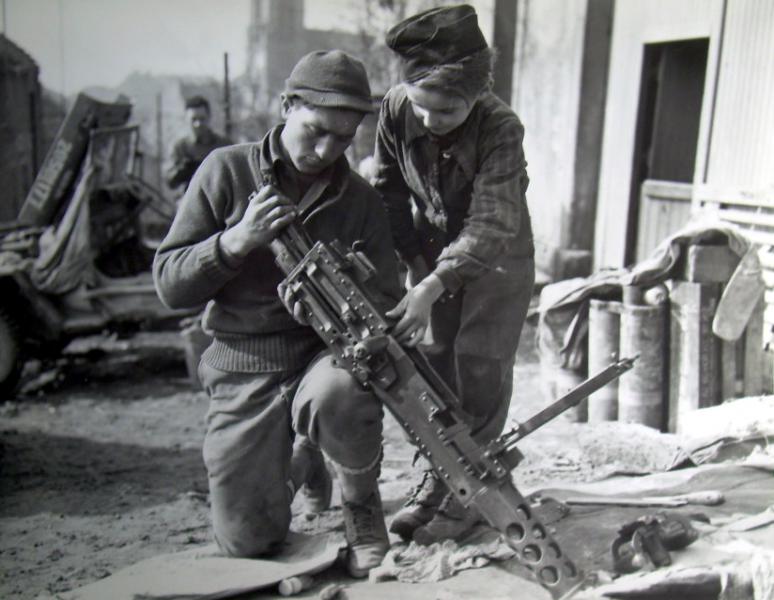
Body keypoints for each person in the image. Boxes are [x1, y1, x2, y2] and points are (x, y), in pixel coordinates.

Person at [153, 50, 401, 578]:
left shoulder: (360, 199)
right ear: (287, 106)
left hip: (323, 357)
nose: (326, 150)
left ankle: (361, 507)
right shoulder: (225, 170)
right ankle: (305, 461)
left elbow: (386, 297)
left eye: (343, 138)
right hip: (244, 363)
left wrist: (340, 294)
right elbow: (170, 284)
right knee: (247, 541)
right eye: (316, 130)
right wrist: (234, 241)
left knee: (343, 390)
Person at [372, 5, 536, 545]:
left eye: (445, 111)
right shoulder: (396, 108)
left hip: (498, 254)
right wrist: (415, 266)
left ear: (477, 93)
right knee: (435, 366)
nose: (427, 121)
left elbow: (492, 223)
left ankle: (473, 491)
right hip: (431, 252)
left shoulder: (501, 127)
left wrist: (432, 284)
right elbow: (388, 192)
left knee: (479, 366)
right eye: (420, 105)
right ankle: (439, 476)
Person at [166, 95, 232, 193]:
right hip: (188, 197)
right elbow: (170, 182)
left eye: (202, 119)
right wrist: (181, 170)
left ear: (209, 117)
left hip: (219, 196)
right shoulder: (180, 147)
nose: (198, 124)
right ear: (186, 119)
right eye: (193, 119)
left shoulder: (224, 145)